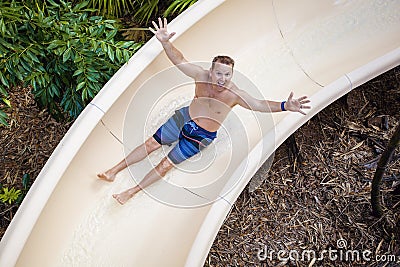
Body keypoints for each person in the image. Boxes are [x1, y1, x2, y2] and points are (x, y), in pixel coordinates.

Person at [97, 18, 311, 205]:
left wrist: (285, 105)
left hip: (201, 136)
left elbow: (259, 104)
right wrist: (166, 42)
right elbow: (180, 60)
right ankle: (113, 171)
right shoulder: (200, 76)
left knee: (165, 164)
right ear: (211, 71)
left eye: (227, 75)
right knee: (151, 144)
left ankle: (130, 193)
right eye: (219, 73)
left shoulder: (234, 94)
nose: (222, 79)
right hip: (183, 118)